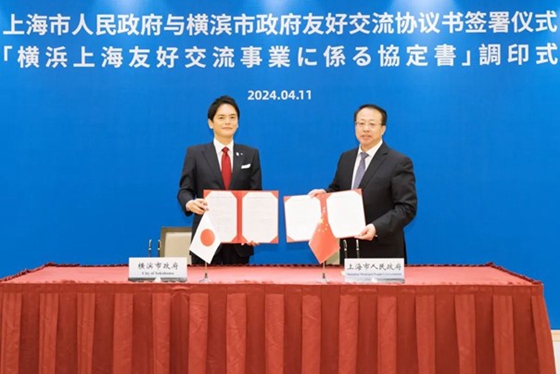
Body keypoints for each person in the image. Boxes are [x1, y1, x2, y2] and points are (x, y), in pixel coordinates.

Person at [309, 103, 417, 263]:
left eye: (372, 124)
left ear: (383, 129)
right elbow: (338, 189)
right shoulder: (346, 158)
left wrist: (376, 228)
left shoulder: (399, 162)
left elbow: (407, 208)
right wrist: (325, 194)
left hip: (383, 252)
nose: (365, 129)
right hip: (349, 249)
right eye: (361, 123)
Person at [177, 95, 262, 264]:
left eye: (232, 118)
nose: (227, 122)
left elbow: (256, 197)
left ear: (238, 122)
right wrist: (189, 203)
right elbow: (184, 191)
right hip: (206, 238)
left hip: (239, 241)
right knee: (203, 290)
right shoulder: (195, 154)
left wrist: (253, 230)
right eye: (221, 118)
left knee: (238, 290)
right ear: (211, 123)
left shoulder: (250, 155)